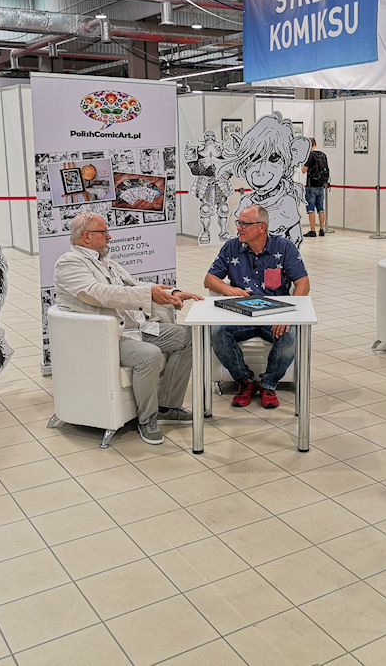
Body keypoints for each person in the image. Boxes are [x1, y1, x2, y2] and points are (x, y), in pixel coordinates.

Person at [53, 211, 203, 445]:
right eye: (104, 232)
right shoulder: (68, 263)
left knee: (188, 336)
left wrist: (171, 292)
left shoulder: (106, 262)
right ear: (87, 236)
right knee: (149, 355)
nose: (109, 236)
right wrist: (148, 294)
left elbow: (133, 285)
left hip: (134, 329)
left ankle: (167, 407)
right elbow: (97, 293)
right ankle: (147, 419)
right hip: (106, 336)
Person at [204, 204, 310, 409]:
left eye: (245, 224)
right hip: (241, 315)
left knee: (290, 335)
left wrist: (289, 316)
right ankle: (245, 381)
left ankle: (269, 384)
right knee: (218, 332)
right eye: (239, 223)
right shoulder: (231, 247)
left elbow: (303, 284)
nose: (239, 228)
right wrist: (228, 290)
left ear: (262, 227)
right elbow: (209, 279)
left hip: (275, 315)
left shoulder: (284, 247)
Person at [301, 137, 330, 238]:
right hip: (321, 186)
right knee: (320, 208)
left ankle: (312, 230)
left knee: (311, 209)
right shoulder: (323, 155)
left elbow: (303, 170)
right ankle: (322, 229)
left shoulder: (310, 155)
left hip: (311, 186)